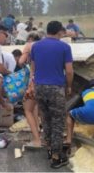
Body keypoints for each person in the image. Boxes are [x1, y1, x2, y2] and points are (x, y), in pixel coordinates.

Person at [31, 21, 74, 169]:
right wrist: (69, 86)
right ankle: (56, 158)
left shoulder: (35, 46)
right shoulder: (64, 47)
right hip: (56, 88)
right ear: (59, 32)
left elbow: (33, 67)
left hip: (39, 87)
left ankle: (49, 149)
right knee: (58, 122)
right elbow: (69, 71)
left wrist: (33, 83)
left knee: (46, 119)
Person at [17, 32, 42, 149]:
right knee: (37, 107)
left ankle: (37, 140)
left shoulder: (29, 45)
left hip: (34, 81)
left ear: (30, 39)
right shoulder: (43, 45)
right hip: (47, 81)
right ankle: (39, 133)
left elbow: (21, 61)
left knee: (28, 110)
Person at [65, 79, 94, 146]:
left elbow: (75, 104)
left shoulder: (86, 91)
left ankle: (68, 139)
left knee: (70, 115)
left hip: (88, 113)